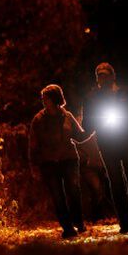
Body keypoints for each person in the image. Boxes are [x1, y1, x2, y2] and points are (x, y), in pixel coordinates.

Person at [82, 62, 128, 233]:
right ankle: (124, 222)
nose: (102, 78)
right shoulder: (91, 98)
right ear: (97, 79)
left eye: (105, 75)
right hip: (107, 144)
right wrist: (98, 122)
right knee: (116, 182)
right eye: (99, 75)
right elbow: (88, 124)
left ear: (113, 76)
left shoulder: (124, 93)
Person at [28, 84, 86, 239]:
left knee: (74, 190)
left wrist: (95, 128)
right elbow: (33, 145)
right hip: (49, 163)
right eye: (43, 98)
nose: (43, 101)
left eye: (46, 98)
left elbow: (79, 136)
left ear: (55, 99)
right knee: (57, 196)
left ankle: (79, 221)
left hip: (69, 159)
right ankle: (67, 228)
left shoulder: (67, 116)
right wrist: (34, 166)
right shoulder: (38, 120)